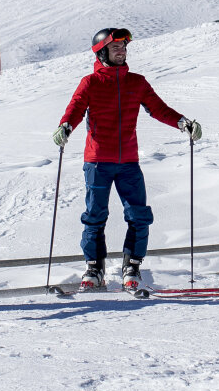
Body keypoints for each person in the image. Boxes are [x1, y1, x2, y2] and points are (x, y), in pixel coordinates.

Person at [53, 27, 201, 291]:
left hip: (128, 162)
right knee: (95, 216)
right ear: (101, 54)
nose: (122, 52)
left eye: (124, 48)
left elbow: (158, 109)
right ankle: (94, 268)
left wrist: (182, 122)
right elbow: (75, 108)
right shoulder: (90, 82)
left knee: (139, 216)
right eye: (116, 48)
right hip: (97, 162)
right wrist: (65, 126)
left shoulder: (137, 82)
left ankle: (131, 266)